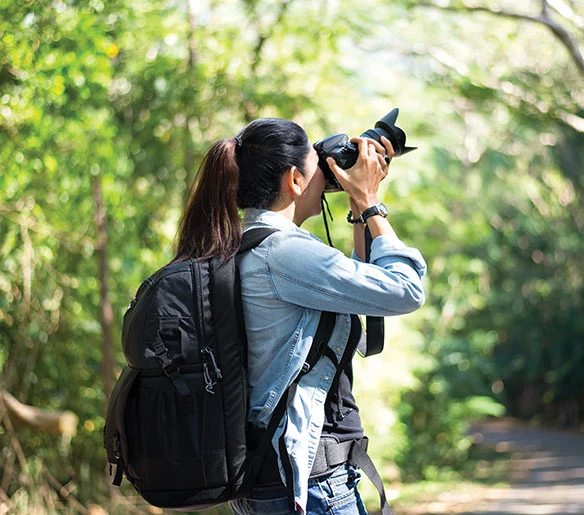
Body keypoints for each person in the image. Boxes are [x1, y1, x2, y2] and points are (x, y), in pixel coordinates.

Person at [172, 117, 427, 515]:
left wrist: (357, 212)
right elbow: (405, 290)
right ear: (294, 179)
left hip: (271, 482)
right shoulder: (284, 254)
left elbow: (362, 292)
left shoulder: (244, 245)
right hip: (312, 489)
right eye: (317, 163)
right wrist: (370, 203)